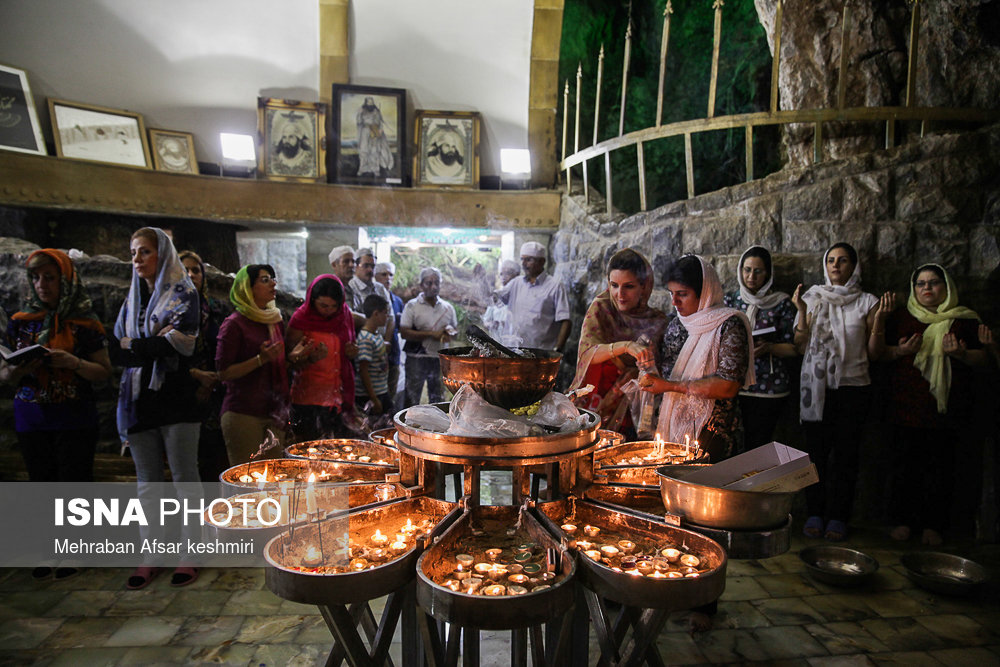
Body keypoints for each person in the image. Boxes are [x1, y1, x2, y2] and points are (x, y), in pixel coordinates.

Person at [869, 264, 988, 546]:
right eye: (921, 284)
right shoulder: (902, 317)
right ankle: (902, 521)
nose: (926, 289)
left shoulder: (965, 320)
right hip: (906, 404)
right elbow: (879, 355)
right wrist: (899, 350)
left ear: (946, 288)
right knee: (904, 466)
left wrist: (961, 354)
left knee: (942, 467)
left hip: (946, 408)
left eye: (934, 283)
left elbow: (984, 359)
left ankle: (934, 525)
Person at [114, 227, 202, 589]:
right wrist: (150, 341)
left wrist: (138, 344)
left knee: (184, 478)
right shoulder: (132, 299)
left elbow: (181, 344)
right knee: (147, 482)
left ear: (162, 255)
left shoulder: (185, 293)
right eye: (134, 252)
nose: (137, 259)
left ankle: (190, 550)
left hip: (176, 398)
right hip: (138, 400)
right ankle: (152, 551)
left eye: (145, 252)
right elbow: (116, 348)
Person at [793, 242, 879, 542]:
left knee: (846, 456)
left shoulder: (868, 302)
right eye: (831, 260)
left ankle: (839, 516)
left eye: (843, 261)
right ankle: (815, 512)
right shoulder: (813, 297)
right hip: (817, 388)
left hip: (853, 387)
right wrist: (802, 312)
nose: (836, 266)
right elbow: (801, 345)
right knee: (814, 455)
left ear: (854, 266)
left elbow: (874, 351)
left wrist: (880, 321)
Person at [638, 255, 754, 461]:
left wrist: (670, 386)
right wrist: (647, 366)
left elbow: (728, 386)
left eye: (682, 294)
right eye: (671, 294)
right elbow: (667, 371)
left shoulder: (729, 325)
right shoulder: (675, 324)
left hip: (713, 434)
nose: (674, 302)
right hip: (673, 427)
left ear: (705, 292)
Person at [568, 249, 669, 436]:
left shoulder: (658, 321)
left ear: (644, 286)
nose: (620, 294)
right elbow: (587, 353)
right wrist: (626, 346)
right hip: (598, 410)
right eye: (614, 285)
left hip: (640, 415)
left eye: (629, 286)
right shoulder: (602, 309)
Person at [216, 265, 304, 465]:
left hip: (274, 411)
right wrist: (260, 359)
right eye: (265, 280)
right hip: (244, 412)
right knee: (246, 481)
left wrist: (294, 357)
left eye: (273, 279)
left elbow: (277, 367)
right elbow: (223, 373)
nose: (273, 283)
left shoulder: (274, 320)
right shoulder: (234, 324)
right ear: (247, 288)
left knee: (272, 480)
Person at [723, 246, 798, 451]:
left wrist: (769, 348)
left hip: (769, 386)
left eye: (758, 271)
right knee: (734, 444)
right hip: (736, 385)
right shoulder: (731, 300)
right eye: (747, 270)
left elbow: (794, 348)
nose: (751, 276)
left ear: (768, 273)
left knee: (760, 444)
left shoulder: (781, 303)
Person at [178, 250, 230, 482]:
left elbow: (224, 350)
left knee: (214, 459)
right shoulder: (167, 311)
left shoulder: (216, 310)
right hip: (181, 389)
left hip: (214, 390)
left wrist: (210, 381)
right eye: (184, 270)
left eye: (196, 270)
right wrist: (194, 376)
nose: (191, 274)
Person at [286, 275, 355, 441]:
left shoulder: (344, 315)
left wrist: (352, 352)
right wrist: (310, 358)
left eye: (334, 306)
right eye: (323, 305)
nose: (329, 310)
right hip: (309, 400)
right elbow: (287, 362)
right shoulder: (301, 319)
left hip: (338, 398)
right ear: (312, 300)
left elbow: (348, 348)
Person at [496, 241, 571, 351]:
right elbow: (494, 298)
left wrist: (557, 349)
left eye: (529, 260)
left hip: (540, 353)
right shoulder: (516, 283)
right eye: (522, 259)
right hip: (512, 350)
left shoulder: (555, 286)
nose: (523, 263)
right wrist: (481, 282)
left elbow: (565, 321)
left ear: (542, 262)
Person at [400, 267, 457, 406]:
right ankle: (407, 425)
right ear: (421, 285)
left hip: (438, 359)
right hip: (416, 358)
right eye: (429, 283)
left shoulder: (447, 308)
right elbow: (404, 332)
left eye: (437, 283)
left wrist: (450, 332)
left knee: (437, 399)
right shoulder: (412, 306)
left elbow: (455, 330)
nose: (434, 286)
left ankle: (435, 427)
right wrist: (431, 334)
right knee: (412, 397)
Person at [356, 294, 392, 420]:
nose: (387, 317)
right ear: (376, 314)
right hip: (370, 395)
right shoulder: (365, 338)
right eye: (385, 313)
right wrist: (373, 398)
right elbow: (363, 370)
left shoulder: (376, 334)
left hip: (381, 390)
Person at [349, 248, 396, 343]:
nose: (370, 270)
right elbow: (350, 316)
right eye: (366, 266)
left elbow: (391, 317)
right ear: (356, 267)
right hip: (361, 344)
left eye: (373, 266)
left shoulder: (380, 288)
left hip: (380, 343)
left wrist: (386, 342)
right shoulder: (350, 288)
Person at [375, 261, 404, 404]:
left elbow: (400, 327)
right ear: (375, 277)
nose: (388, 278)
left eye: (391, 275)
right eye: (383, 274)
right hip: (376, 355)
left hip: (393, 355)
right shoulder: (373, 300)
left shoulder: (397, 301)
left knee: (390, 395)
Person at [356, 96, 394, 177]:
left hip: (375, 131)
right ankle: (362, 169)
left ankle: (375, 169)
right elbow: (359, 122)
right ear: (366, 103)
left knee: (374, 151)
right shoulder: (361, 110)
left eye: (371, 103)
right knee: (364, 150)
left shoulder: (376, 111)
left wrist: (380, 130)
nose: (370, 104)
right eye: (369, 103)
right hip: (365, 132)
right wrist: (360, 115)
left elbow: (380, 123)